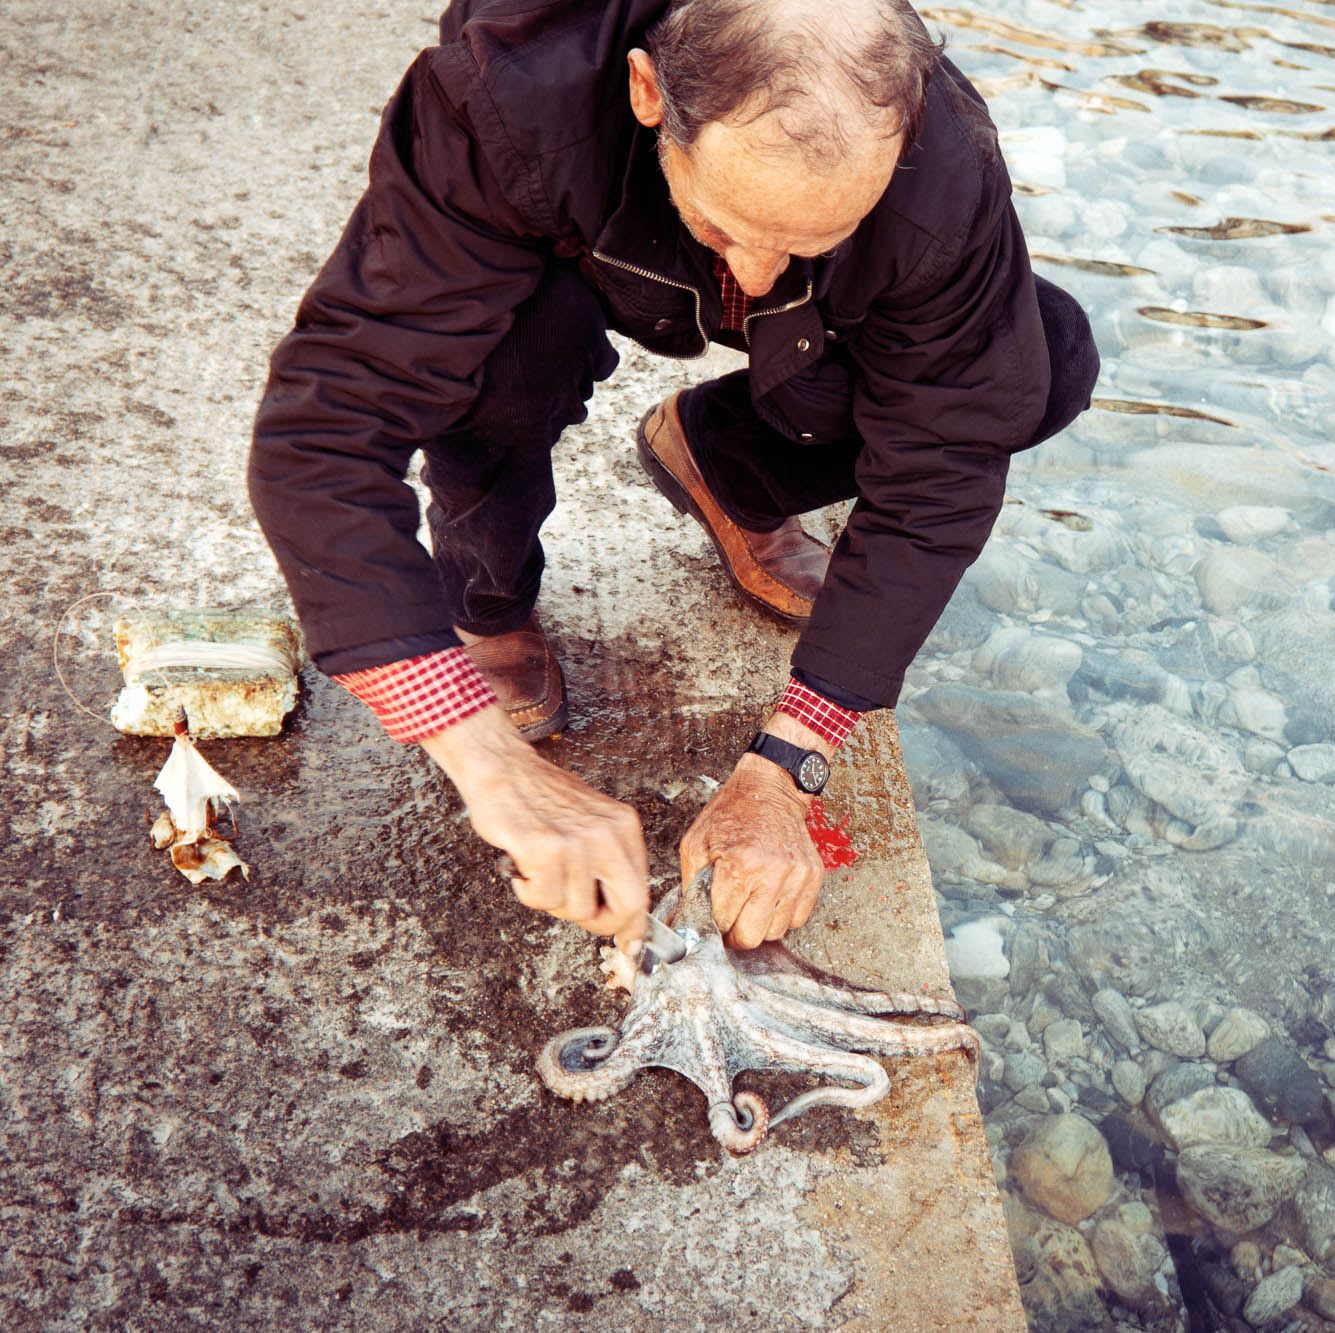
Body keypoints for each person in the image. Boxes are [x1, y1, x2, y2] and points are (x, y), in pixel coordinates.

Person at [247, 0, 1098, 953]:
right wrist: (485, 760)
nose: (767, 274)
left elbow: (942, 469)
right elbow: (324, 430)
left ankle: (728, 463)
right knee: (502, 358)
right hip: (580, 231)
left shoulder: (943, 161)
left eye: (810, 240)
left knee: (1041, 361)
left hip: (816, 277)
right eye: (737, 225)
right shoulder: (507, 95)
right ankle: (488, 596)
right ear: (649, 91)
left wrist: (786, 763)